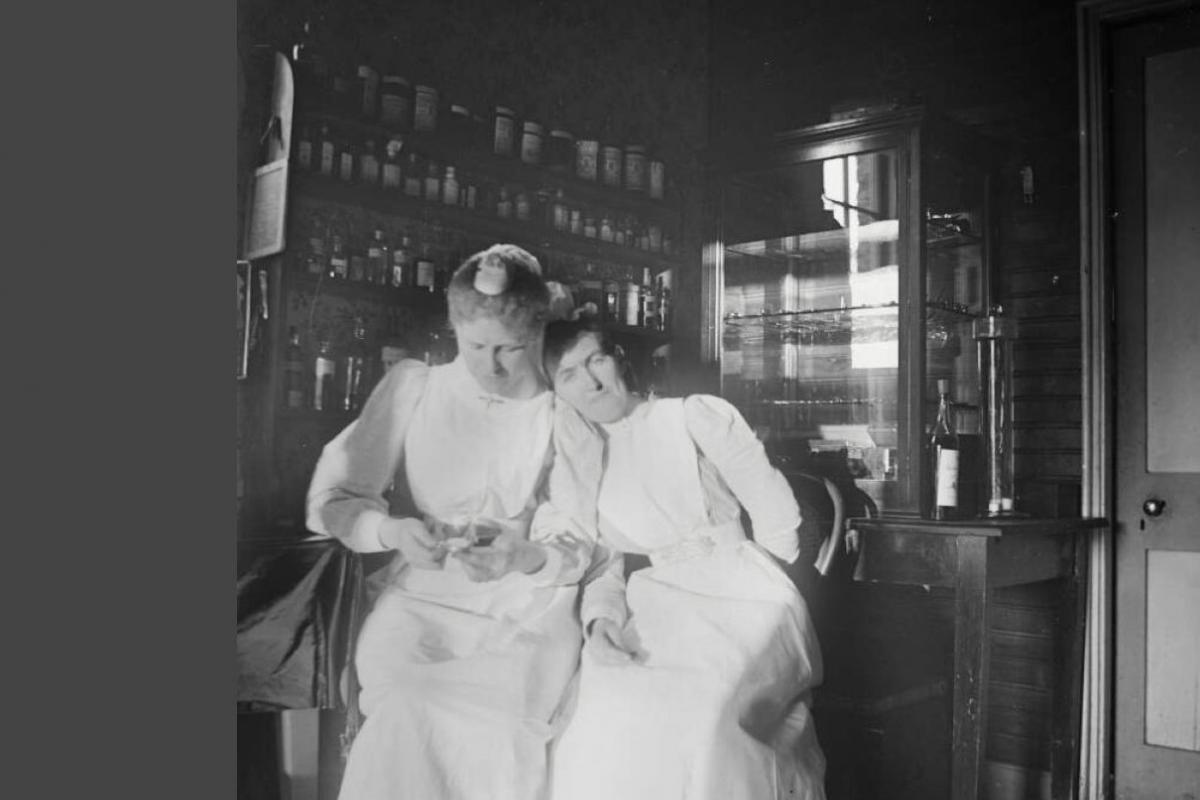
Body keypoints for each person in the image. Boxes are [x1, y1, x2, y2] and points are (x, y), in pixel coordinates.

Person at [306, 244, 609, 800]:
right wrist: (392, 531)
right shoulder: (415, 387)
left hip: (525, 606)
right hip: (421, 599)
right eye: (475, 346)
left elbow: (578, 535)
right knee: (405, 702)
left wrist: (524, 555)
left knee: (493, 720)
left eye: (510, 349)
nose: (491, 366)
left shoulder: (560, 413)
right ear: (453, 328)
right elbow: (335, 498)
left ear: (540, 334)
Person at [544, 318, 827, 800]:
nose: (590, 381)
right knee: (600, 719)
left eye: (595, 359)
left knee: (706, 718)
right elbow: (604, 565)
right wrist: (600, 622)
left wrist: (768, 591)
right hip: (658, 606)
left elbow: (776, 513)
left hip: (744, 592)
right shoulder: (583, 461)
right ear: (557, 394)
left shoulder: (691, 416)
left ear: (618, 358)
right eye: (568, 374)